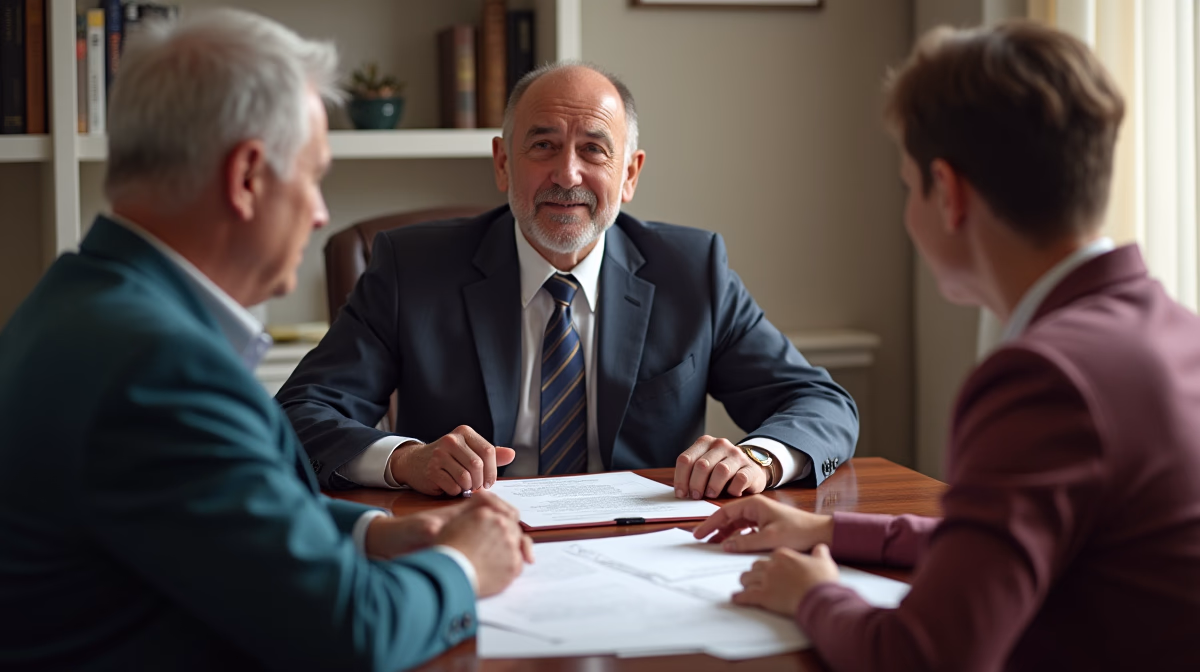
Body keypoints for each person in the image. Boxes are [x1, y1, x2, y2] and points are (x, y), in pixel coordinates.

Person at [0, 10, 532, 671]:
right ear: (248, 177)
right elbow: (349, 633)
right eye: (313, 176)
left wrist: (379, 532)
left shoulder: (72, 303)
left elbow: (222, 518)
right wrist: (464, 565)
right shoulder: (161, 368)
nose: (319, 214)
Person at [694, 20, 1200, 671]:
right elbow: (1001, 541)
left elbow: (926, 657)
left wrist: (816, 597)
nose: (910, 210)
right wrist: (828, 530)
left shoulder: (1044, 378)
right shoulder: (1173, 328)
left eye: (909, 186)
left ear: (950, 192)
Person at [277, 62, 859, 500]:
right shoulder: (411, 268)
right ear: (503, 162)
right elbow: (300, 412)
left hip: (643, 551)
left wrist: (759, 458)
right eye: (544, 145)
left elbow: (820, 403)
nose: (567, 173)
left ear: (629, 174)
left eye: (594, 149)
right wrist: (406, 460)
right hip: (469, 540)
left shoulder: (692, 270)